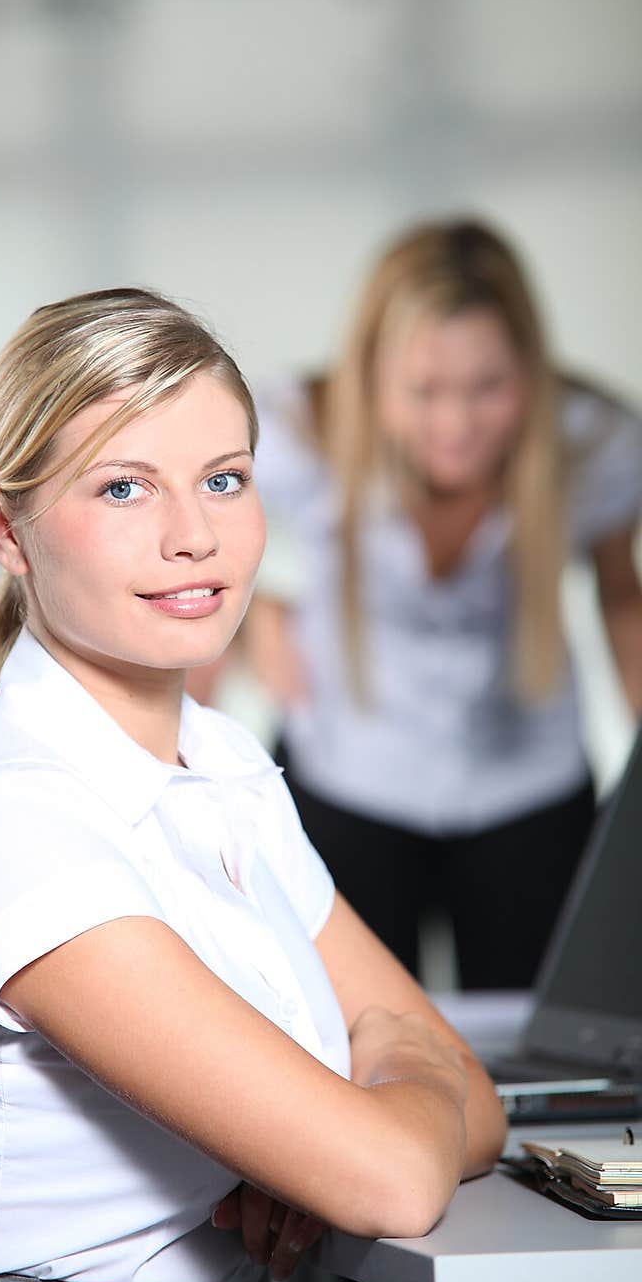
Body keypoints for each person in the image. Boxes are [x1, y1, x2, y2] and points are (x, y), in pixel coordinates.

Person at [0, 287, 506, 1282]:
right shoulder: (9, 813)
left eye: (224, 479)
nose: (194, 535)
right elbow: (397, 1172)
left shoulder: (224, 761)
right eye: (123, 489)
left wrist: (328, 1137)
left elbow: (478, 1104)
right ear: (5, 528)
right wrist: (357, 1115)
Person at [244, 217, 642, 991]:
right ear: (369, 373)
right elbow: (191, 562)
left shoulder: (594, 443)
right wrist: (257, 616)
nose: (456, 425)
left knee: (536, 1042)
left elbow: (622, 596)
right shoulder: (287, 430)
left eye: (488, 388)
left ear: (530, 370)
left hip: (527, 789)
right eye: (424, 391)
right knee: (347, 1042)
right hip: (345, 778)